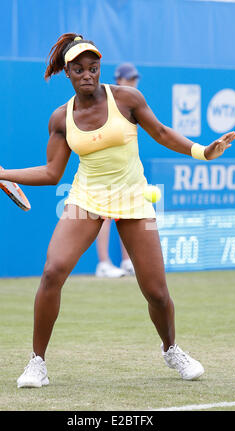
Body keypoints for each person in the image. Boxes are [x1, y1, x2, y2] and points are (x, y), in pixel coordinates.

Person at [0, 33, 235, 388]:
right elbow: (52, 172)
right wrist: (2, 173)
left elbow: (161, 132)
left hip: (134, 201)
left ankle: (171, 349)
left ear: (100, 68)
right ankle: (37, 362)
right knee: (53, 271)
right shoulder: (60, 118)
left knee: (157, 293)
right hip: (86, 201)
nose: (88, 74)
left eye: (93, 67)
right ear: (67, 72)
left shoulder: (128, 99)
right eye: (79, 69)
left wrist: (202, 152)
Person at [95, 62, 140, 278]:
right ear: (119, 80)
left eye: (135, 79)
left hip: (124, 169)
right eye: (129, 79)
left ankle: (126, 261)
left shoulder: (133, 103)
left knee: (124, 214)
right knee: (104, 216)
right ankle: (103, 264)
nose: (133, 83)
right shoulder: (108, 102)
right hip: (105, 169)